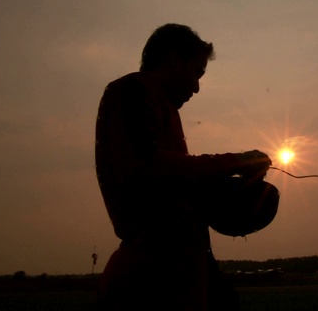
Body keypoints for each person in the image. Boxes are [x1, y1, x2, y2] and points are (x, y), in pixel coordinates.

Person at [95, 23, 273, 310]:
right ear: (174, 60)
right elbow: (146, 168)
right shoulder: (133, 89)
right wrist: (236, 162)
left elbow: (174, 188)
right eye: (196, 72)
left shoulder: (161, 106)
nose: (197, 87)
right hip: (150, 280)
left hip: (180, 272)